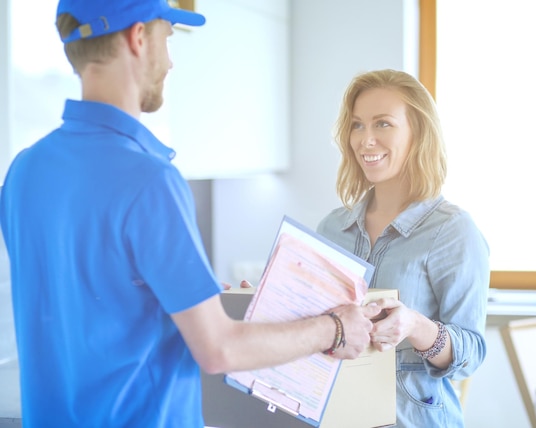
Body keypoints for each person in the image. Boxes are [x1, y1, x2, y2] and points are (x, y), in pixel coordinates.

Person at [0, 1, 382, 427]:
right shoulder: (148, 179)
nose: (171, 60)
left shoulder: (24, 170)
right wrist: (335, 328)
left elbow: (87, 301)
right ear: (138, 37)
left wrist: (180, 295)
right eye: (169, 38)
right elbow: (219, 349)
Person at [317, 69, 490, 428]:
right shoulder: (332, 228)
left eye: (383, 124)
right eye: (357, 125)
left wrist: (413, 324)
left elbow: (471, 353)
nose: (365, 140)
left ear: (418, 133)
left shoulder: (453, 231)